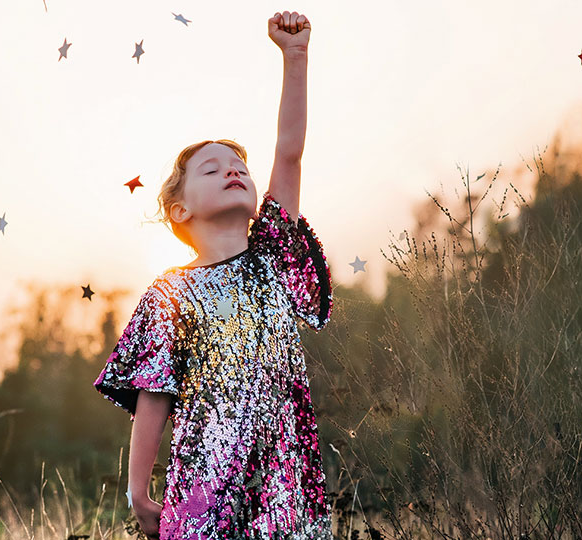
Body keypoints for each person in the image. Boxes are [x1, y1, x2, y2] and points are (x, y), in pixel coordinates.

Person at [92, 10, 332, 539]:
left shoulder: (273, 254)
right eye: (212, 168)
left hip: (287, 487)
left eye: (239, 167)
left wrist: (296, 58)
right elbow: (153, 394)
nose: (233, 170)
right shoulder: (171, 294)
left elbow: (289, 154)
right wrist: (138, 490)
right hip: (205, 491)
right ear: (179, 210)